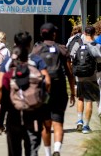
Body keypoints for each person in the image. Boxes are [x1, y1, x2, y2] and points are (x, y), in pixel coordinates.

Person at [0, 31, 51, 156]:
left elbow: (0, 86)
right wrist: (42, 101)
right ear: (30, 44)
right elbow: (47, 82)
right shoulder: (36, 60)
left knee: (14, 151)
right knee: (31, 149)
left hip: (13, 113)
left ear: (15, 43)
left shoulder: (8, 63)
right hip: (34, 113)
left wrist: (1, 111)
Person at [31, 22, 76, 156]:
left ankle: (47, 153)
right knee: (58, 121)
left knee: (46, 124)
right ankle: (57, 149)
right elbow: (69, 72)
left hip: (43, 90)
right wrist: (73, 92)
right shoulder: (62, 49)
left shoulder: (36, 50)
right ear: (54, 34)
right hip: (60, 89)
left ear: (41, 34)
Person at [71, 26, 101, 133]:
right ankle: (86, 127)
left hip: (79, 76)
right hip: (91, 76)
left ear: (84, 33)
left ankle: (79, 121)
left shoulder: (78, 44)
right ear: (94, 33)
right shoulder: (96, 45)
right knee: (89, 101)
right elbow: (99, 59)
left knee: (80, 98)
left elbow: (72, 57)